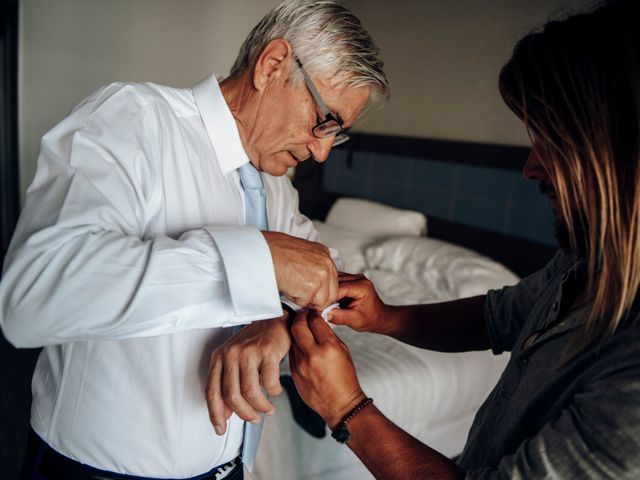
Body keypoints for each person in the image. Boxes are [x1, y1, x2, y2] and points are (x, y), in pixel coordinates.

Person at [0, 1, 389, 479]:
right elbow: (34, 297)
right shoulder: (131, 120)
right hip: (97, 469)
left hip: (229, 468)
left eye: (338, 134)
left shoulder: (276, 184)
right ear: (273, 66)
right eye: (324, 120)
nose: (323, 151)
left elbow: (320, 266)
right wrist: (260, 260)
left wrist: (276, 318)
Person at [287, 0, 640, 478]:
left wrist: (349, 409)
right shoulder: (586, 260)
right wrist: (386, 317)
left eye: (551, 143)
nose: (530, 167)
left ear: (617, 149)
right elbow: (497, 317)